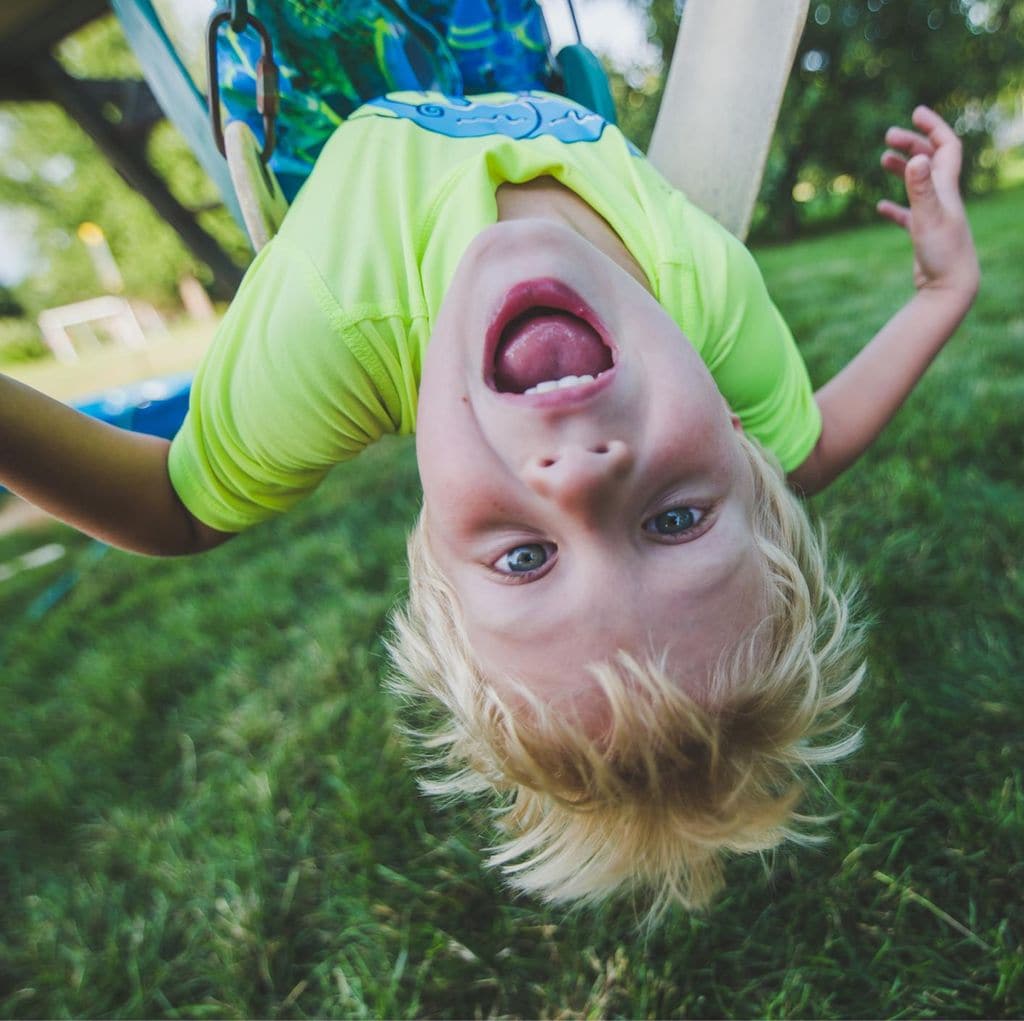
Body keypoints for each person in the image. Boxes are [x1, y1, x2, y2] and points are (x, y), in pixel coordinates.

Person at [0, 94, 979, 918]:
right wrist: (939, 291)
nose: (581, 478)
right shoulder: (709, 296)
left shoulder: (340, 326)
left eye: (524, 558)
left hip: (312, 85)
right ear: (732, 432)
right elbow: (806, 456)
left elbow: (170, 507)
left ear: (428, 540)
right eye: (673, 520)